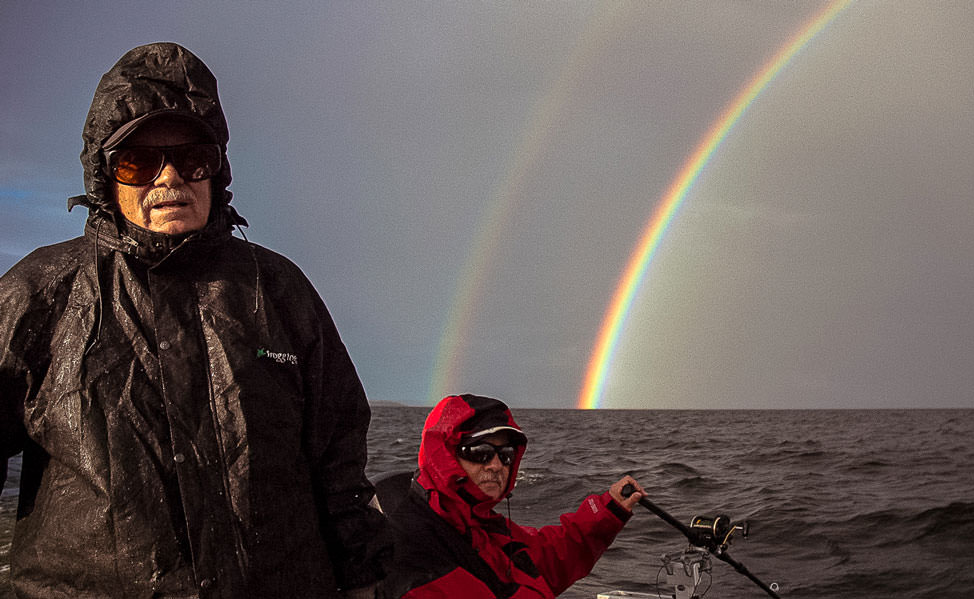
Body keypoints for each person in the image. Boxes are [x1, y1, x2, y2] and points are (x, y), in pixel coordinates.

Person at [0, 42, 389, 598]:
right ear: (105, 176)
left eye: (192, 158)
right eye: (137, 161)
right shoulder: (40, 292)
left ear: (217, 170)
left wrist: (361, 580)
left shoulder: (277, 289)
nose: (169, 179)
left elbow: (339, 461)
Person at [378, 394, 645, 598]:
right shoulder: (416, 551)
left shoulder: (479, 524)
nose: (495, 465)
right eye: (479, 452)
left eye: (505, 455)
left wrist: (608, 512)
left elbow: (544, 559)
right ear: (445, 456)